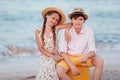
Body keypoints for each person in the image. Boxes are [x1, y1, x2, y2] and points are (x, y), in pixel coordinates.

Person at [56, 7, 104, 80]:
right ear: (71, 20)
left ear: (84, 21)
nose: (77, 22)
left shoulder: (89, 31)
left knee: (99, 60)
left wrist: (87, 57)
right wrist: (72, 67)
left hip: (82, 57)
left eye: (80, 19)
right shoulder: (65, 32)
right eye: (75, 19)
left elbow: (92, 50)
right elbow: (62, 52)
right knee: (59, 71)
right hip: (69, 58)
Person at [35, 7, 69, 80]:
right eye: (53, 18)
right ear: (47, 16)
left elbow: (70, 24)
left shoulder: (56, 28)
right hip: (44, 57)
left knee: (50, 67)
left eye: (56, 20)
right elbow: (41, 48)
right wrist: (53, 57)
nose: (54, 21)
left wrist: (67, 31)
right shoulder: (38, 32)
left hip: (55, 56)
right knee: (47, 68)